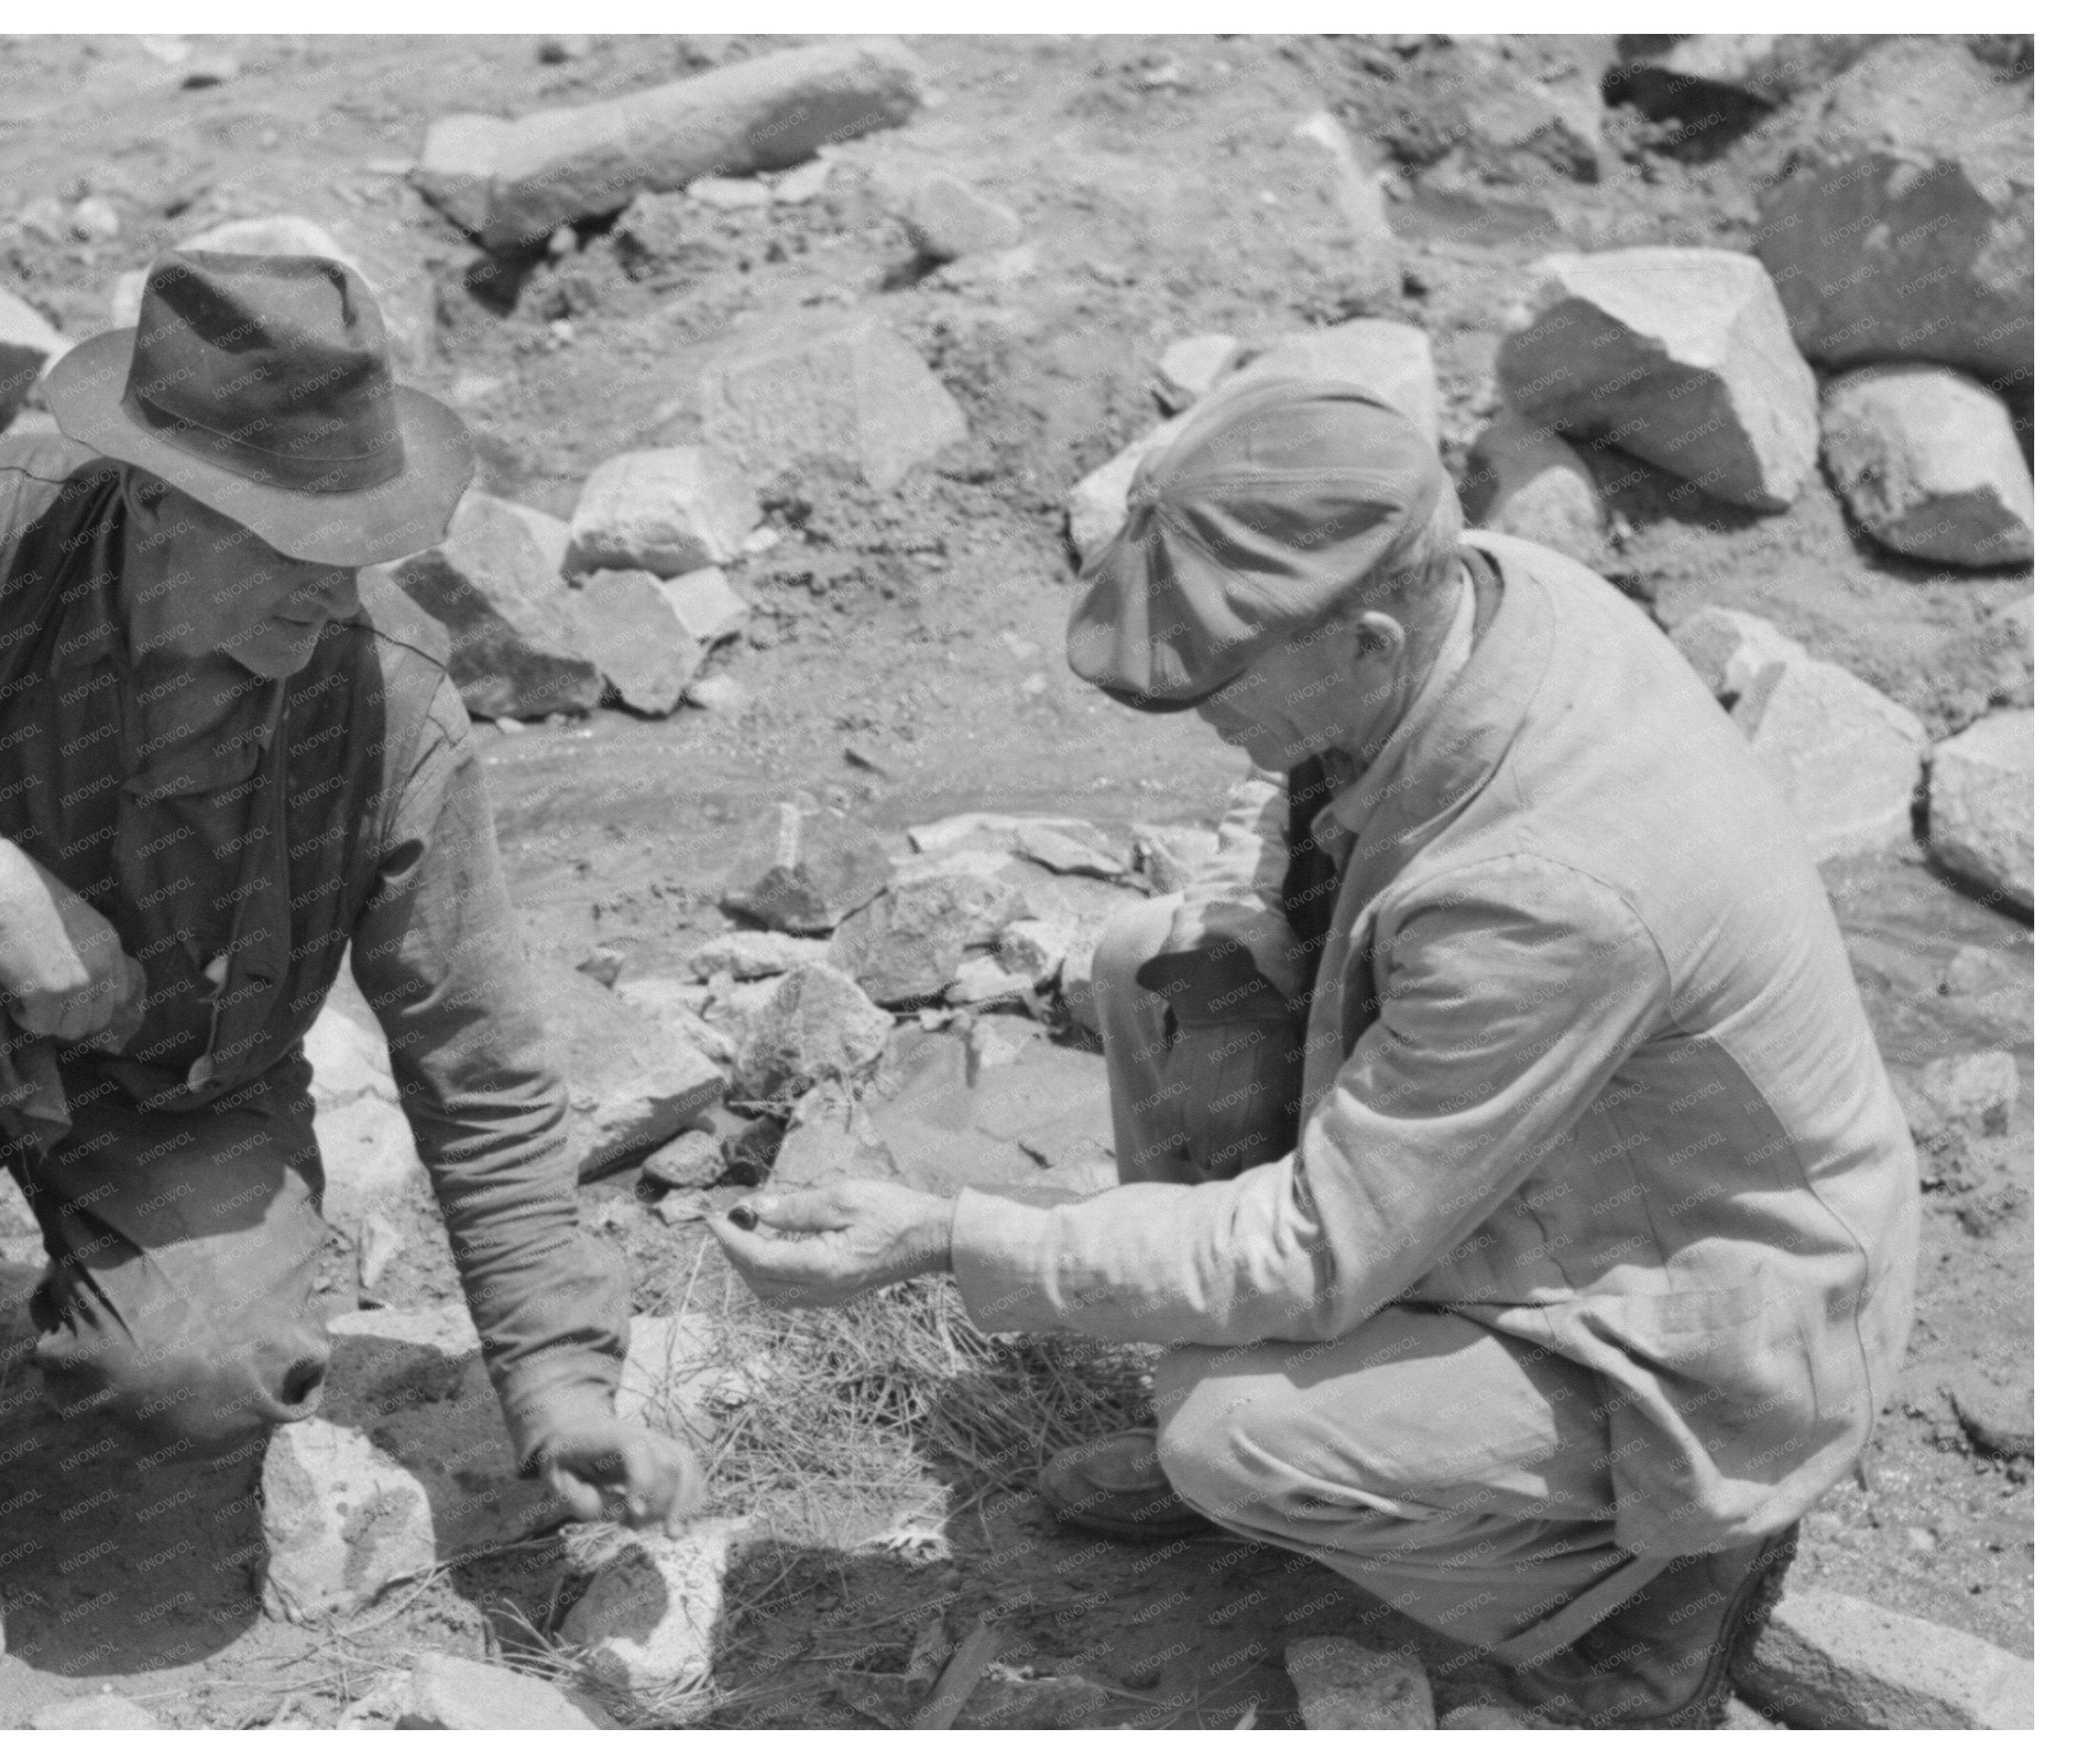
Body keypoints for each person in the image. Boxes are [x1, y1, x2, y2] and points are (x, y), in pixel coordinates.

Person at [711, 378, 1918, 1728]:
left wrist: (949, 1236)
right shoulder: (1473, 593)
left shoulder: (1543, 892)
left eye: (1218, 682)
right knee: (1159, 966)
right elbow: (1303, 795)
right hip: (1545, 1161)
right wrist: (1189, 936)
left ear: (1367, 641)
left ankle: (1657, 1580)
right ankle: (1368, 1442)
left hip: (1694, 1324)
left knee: (1226, 1431)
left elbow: (1314, 1247)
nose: (1201, 715)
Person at [0, 252, 702, 1691]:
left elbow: (476, 1062)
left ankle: (30, 1322)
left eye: (354, 541)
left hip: (171, 1083)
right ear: (154, 500)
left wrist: (559, 1383)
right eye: (292, 544)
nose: (335, 589)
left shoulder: (390, 702)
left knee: (198, 1375)